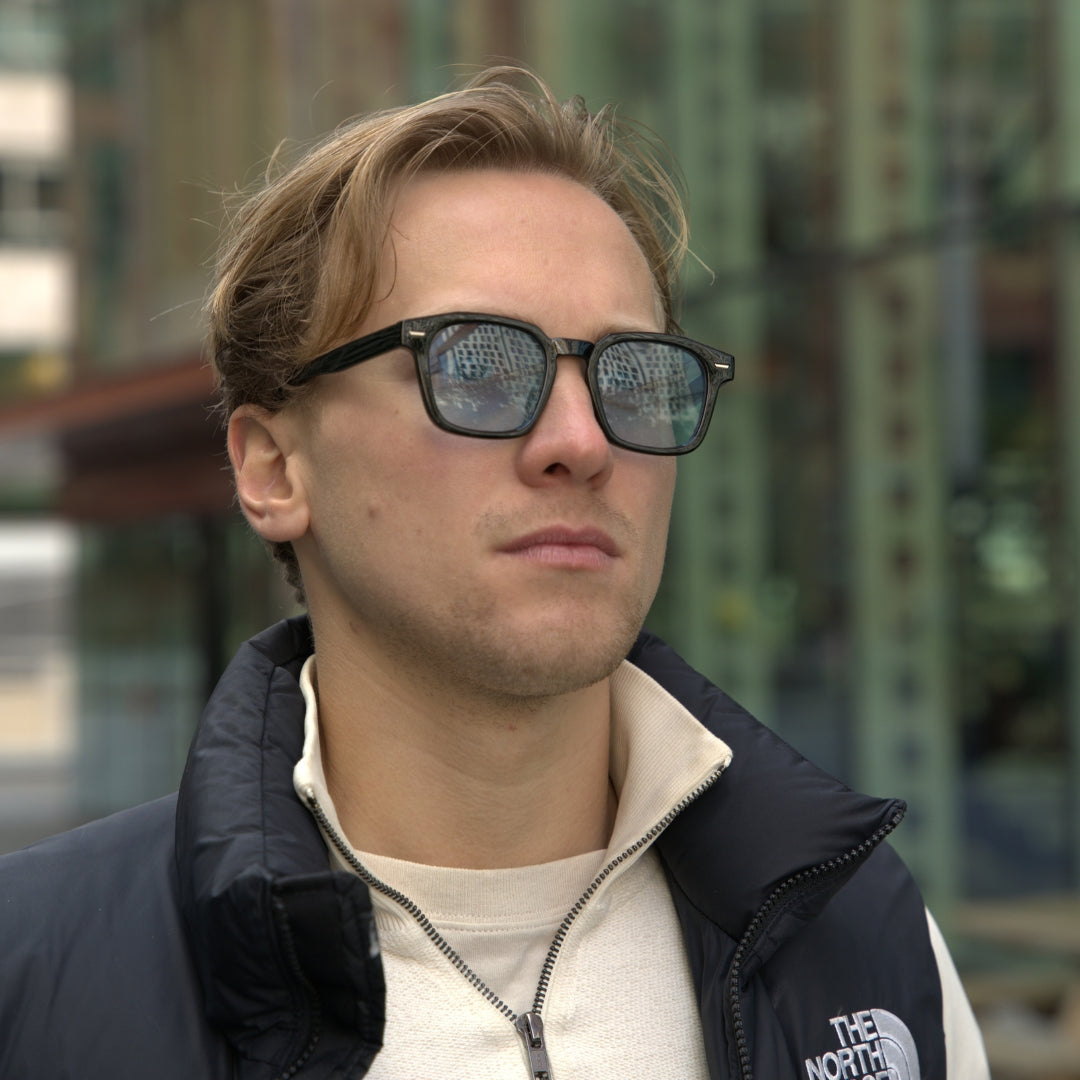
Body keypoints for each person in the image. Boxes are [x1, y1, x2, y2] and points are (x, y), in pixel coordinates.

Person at [0, 67, 987, 1079]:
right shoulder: (38, 982)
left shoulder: (855, 944)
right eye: (475, 365)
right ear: (273, 469)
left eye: (632, 376)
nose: (582, 442)